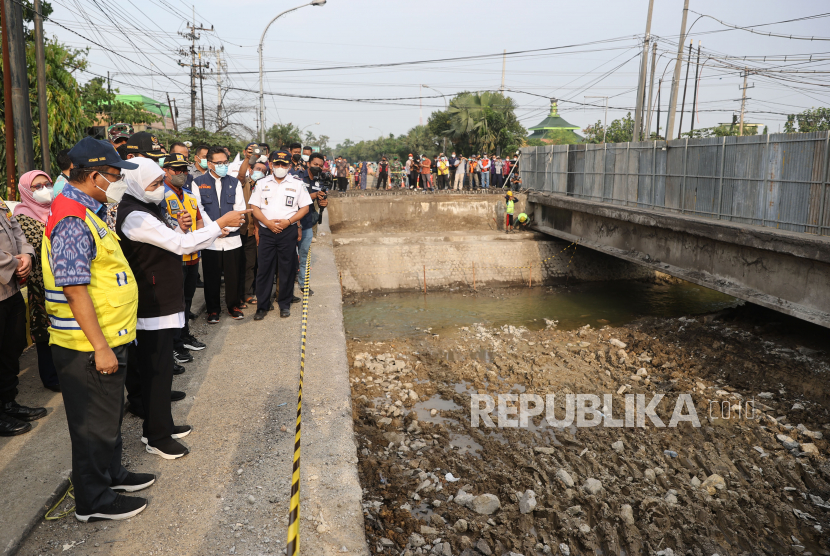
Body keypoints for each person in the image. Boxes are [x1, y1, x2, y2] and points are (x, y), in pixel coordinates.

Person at [42, 137, 154, 520]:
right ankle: (93, 500)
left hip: (107, 337)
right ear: (93, 175)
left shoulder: (88, 210)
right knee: (92, 426)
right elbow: (74, 290)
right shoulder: (72, 218)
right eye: (114, 175)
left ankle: (112, 474)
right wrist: (101, 348)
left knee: (108, 416)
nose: (119, 181)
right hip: (86, 345)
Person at [116, 158, 247, 460]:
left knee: (161, 372)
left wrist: (214, 231)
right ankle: (156, 436)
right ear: (135, 184)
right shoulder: (135, 215)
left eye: (159, 182)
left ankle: (161, 425)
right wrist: (219, 223)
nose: (159, 188)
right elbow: (179, 244)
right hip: (152, 304)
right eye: (153, 184)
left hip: (162, 299)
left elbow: (182, 237)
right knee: (155, 371)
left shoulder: (147, 208)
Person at [0, 185, 45, 436]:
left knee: (11, 350)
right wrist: (15, 262)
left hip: (11, 291)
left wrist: (27, 255)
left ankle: (8, 403)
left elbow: (15, 229)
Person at [12, 171, 60, 392]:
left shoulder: (57, 208)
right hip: (40, 283)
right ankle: (51, 377)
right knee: (44, 329)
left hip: (63, 279)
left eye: (46, 184)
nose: (44, 190)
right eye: (36, 187)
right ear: (25, 191)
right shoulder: (22, 217)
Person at [250, 151, 311, 320]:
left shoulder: (297, 184)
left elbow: (305, 208)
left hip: (287, 231)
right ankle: (262, 306)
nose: (280, 167)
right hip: (267, 231)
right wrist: (267, 223)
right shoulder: (262, 183)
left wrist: (289, 221)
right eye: (277, 164)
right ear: (271, 165)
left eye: (284, 164)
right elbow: (255, 207)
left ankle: (284, 304)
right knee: (264, 269)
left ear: (289, 166)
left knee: (286, 269)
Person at [191, 147, 247, 324]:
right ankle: (213, 310)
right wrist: (216, 228)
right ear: (209, 164)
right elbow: (199, 210)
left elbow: (239, 209)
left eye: (225, 163)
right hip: (211, 240)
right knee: (211, 276)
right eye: (219, 163)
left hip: (232, 239)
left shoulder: (234, 182)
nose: (223, 166)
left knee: (233, 276)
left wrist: (227, 229)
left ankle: (233, 306)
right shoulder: (198, 182)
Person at [161, 153, 208, 361]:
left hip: (192, 257)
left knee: (187, 301)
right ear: (165, 171)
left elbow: (199, 220)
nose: (181, 174)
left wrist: (195, 239)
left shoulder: (188, 194)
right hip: (173, 258)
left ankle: (184, 336)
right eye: (176, 170)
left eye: (184, 170)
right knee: (174, 303)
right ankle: (174, 344)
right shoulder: (159, 194)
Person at [297, 153, 329, 296]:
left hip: (308, 223)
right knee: (289, 257)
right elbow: (297, 198)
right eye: (315, 164)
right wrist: (313, 196)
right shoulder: (297, 178)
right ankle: (284, 286)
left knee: (304, 256)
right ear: (309, 164)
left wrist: (324, 202)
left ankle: (303, 284)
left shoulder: (319, 181)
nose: (318, 167)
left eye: (321, 166)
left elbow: (321, 198)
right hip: (292, 223)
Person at [240, 159, 269, 304]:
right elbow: (240, 175)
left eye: (263, 171)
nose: (260, 173)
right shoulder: (244, 183)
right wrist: (247, 158)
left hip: (262, 229)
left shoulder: (266, 187)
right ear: (251, 170)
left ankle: (260, 290)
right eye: (258, 169)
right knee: (249, 263)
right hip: (247, 229)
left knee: (261, 263)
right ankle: (247, 293)